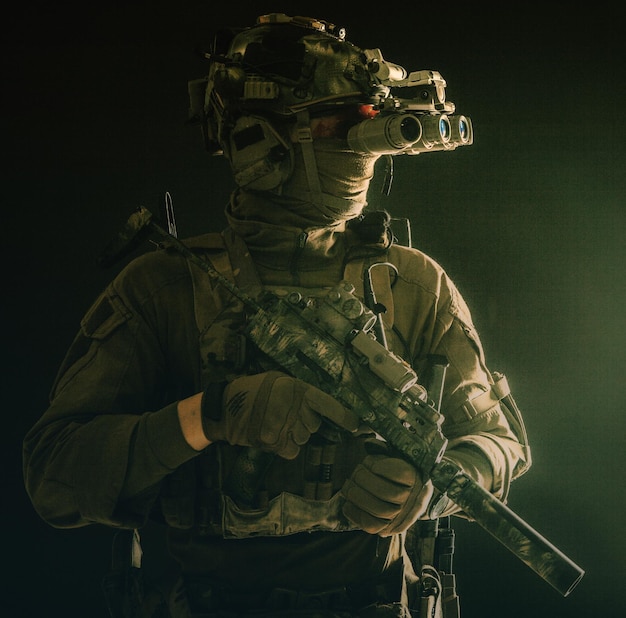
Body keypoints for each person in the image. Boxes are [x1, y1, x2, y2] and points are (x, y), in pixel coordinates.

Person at [23, 13, 531, 618]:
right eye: (338, 122)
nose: (359, 143)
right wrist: (207, 416)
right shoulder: (165, 287)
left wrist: (430, 488)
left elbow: (500, 444)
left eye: (367, 122)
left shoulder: (412, 283)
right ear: (257, 142)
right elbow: (54, 476)